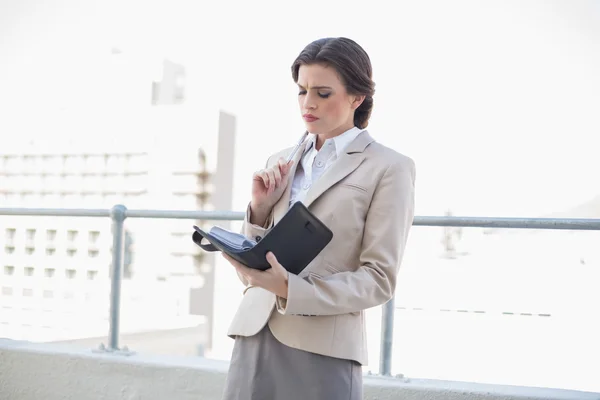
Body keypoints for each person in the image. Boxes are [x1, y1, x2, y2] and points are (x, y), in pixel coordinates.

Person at [221, 37, 416, 400]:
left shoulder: (389, 168)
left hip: (323, 346)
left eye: (323, 93)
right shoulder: (279, 160)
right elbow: (260, 259)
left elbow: (378, 279)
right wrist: (259, 210)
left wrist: (291, 290)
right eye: (302, 91)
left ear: (357, 97)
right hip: (254, 331)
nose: (308, 103)